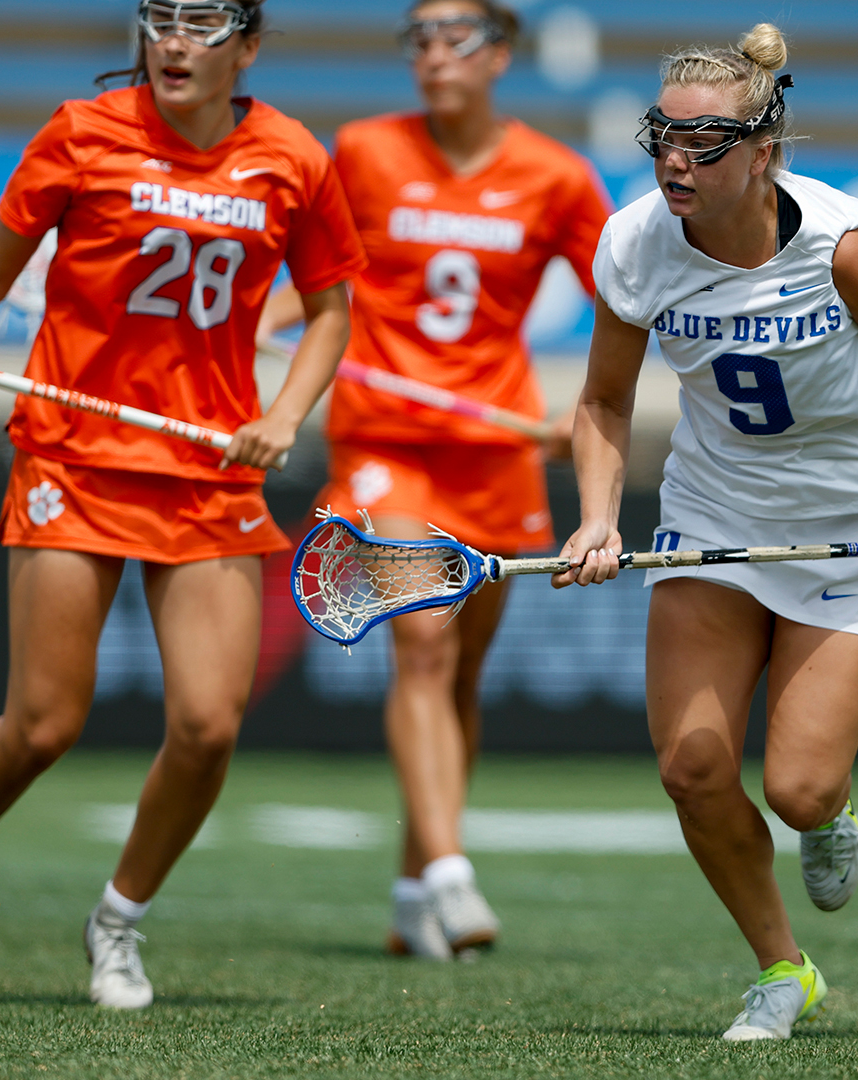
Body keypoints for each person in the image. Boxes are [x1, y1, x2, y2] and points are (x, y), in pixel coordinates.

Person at [0, 0, 366, 1008]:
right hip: (75, 458)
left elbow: (329, 310)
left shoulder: (292, 157)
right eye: (160, 20)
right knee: (44, 725)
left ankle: (119, 921)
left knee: (209, 725)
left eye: (203, 24)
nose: (176, 42)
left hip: (207, 468)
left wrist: (288, 412)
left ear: (249, 48)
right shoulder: (80, 132)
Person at [555, 24, 858, 1040]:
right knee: (692, 767)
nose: (674, 161)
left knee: (795, 786)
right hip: (716, 516)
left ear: (763, 151)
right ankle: (783, 968)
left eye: (704, 144)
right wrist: (599, 519)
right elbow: (604, 403)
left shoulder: (853, 251)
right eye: (662, 136)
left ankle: (829, 815)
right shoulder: (634, 244)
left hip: (850, 527)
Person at [258, 0, 611, 960]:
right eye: (416, 35)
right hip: (385, 443)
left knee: (459, 673)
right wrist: (265, 321)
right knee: (419, 644)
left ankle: (416, 885)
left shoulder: (554, 174)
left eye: (454, 34)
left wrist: (576, 415)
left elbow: (623, 306)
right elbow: (323, 278)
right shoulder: (364, 151)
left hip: (495, 451)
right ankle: (454, 872)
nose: (431, 52)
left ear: (500, 54)